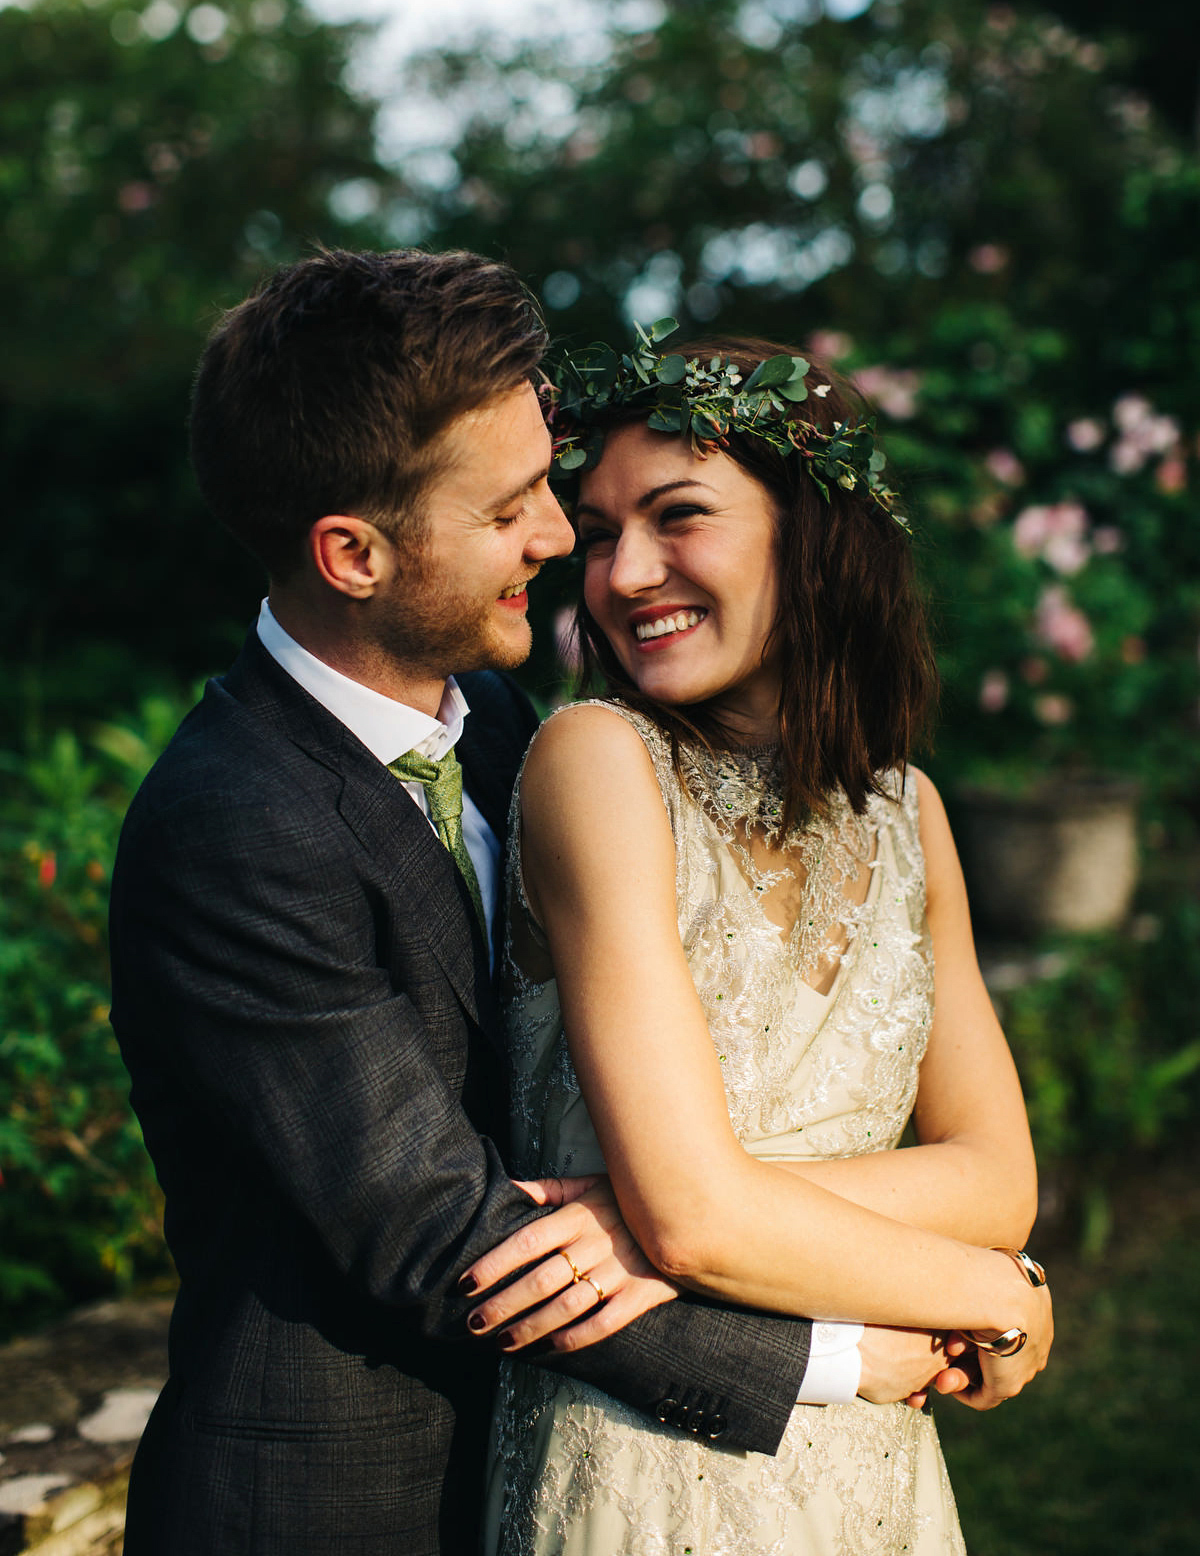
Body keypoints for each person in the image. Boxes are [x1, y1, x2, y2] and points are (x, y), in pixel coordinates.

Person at [109, 252, 943, 1556]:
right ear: (353, 553)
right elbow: (444, 1235)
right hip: (333, 1508)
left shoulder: (505, 722)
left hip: (544, 1459)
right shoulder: (231, 829)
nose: (560, 541)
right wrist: (834, 1361)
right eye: (512, 513)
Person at [469, 332, 1054, 1554]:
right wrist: (998, 1294)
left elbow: (997, 1178)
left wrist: (653, 1215)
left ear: (814, 530)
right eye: (598, 532)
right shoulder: (596, 764)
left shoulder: (909, 814)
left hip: (876, 1459)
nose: (625, 573)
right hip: (648, 1461)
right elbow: (699, 1224)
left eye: (680, 516)